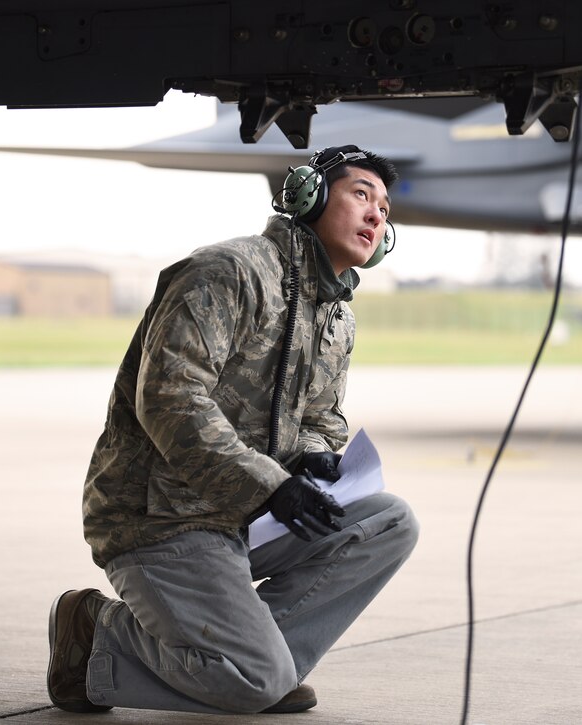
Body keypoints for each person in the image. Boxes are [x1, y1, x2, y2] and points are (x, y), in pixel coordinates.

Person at [47, 145, 420, 715]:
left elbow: (322, 419)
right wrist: (270, 484)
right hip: (162, 517)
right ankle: (95, 629)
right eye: (361, 195)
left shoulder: (335, 315)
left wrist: (313, 456)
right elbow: (170, 399)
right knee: (254, 683)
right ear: (308, 197)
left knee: (390, 521)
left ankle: (257, 662)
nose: (377, 215)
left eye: (385, 208)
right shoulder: (229, 272)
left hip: (244, 519)